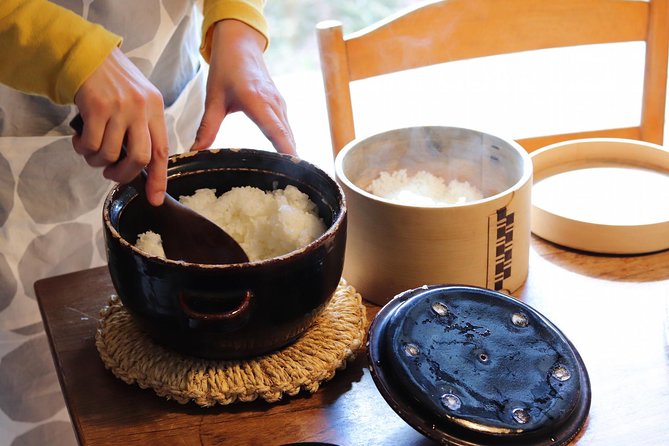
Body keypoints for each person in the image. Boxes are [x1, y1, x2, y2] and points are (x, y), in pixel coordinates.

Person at [0, 1, 295, 444]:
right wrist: (68, 52)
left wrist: (237, 27)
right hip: (17, 173)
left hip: (166, 102)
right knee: (45, 395)